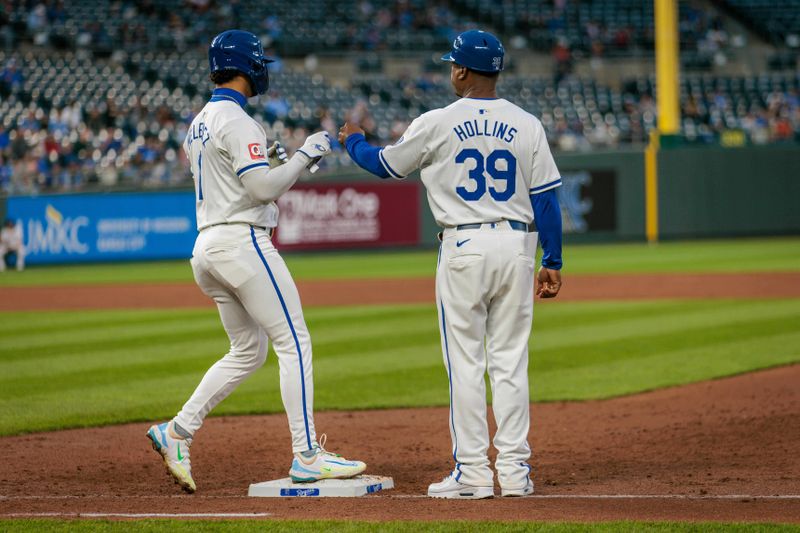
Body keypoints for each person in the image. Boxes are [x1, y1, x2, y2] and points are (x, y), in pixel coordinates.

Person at [339, 30, 563, 499]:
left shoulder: (438, 121)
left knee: (466, 364)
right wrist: (553, 259)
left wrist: (353, 141)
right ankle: (517, 474)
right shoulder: (527, 123)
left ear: (461, 69)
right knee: (510, 363)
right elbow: (547, 199)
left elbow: (384, 164)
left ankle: (474, 474)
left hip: (464, 246)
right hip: (518, 246)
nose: (449, 71)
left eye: (451, 65)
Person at [146, 29, 365, 494]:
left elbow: (242, 178)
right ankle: (307, 455)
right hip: (241, 243)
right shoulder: (239, 120)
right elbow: (261, 190)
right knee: (295, 342)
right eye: (259, 61)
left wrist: (274, 163)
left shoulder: (200, 121)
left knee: (248, 351)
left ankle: (177, 431)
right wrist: (306, 154)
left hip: (207, 246)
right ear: (247, 66)